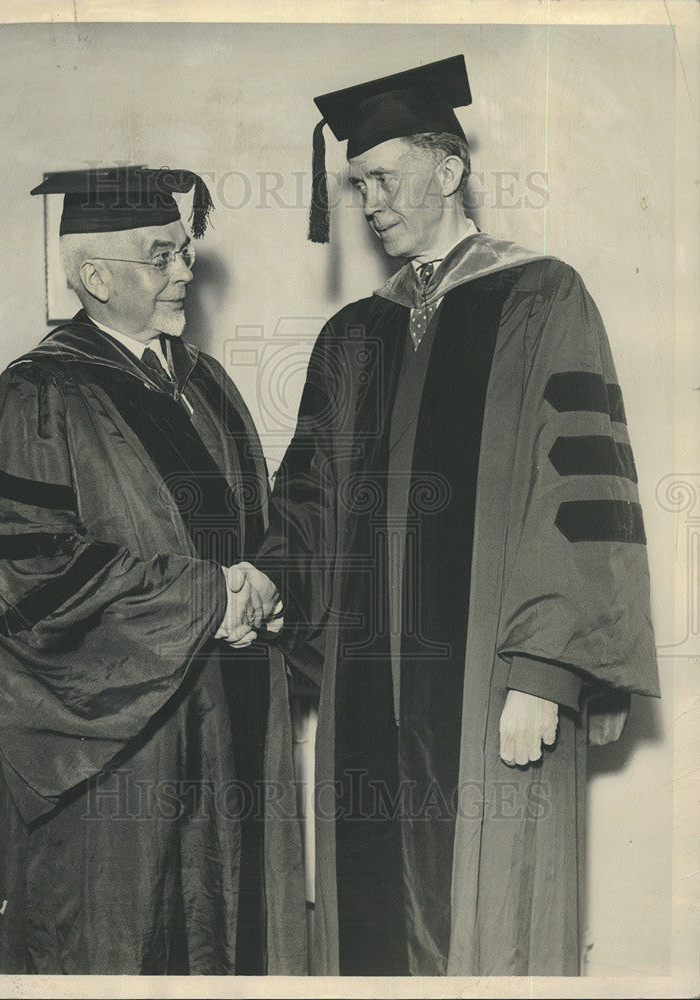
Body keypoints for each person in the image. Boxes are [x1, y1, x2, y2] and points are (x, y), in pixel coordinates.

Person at [257, 56, 660, 976]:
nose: (368, 202)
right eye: (357, 186)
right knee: (370, 909)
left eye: (382, 178)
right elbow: (310, 493)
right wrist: (270, 582)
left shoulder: (542, 297)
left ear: (448, 169)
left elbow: (579, 493)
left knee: (485, 911)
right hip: (368, 685)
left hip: (493, 680)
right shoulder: (353, 334)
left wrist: (544, 670)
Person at [0, 165, 306, 975]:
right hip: (119, 742)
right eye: (161, 256)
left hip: (228, 716)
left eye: (184, 250)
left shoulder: (204, 384)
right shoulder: (38, 394)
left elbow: (257, 525)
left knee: (228, 930)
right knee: (120, 940)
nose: (185, 271)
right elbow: (23, 574)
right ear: (95, 278)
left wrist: (274, 585)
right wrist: (209, 596)